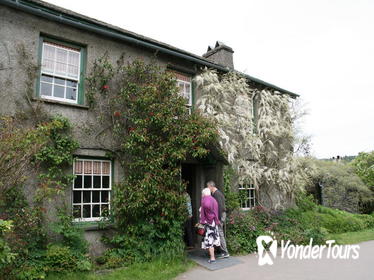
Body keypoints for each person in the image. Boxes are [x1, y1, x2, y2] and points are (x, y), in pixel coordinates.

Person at [207, 180, 230, 258]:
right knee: (219, 233)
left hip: (220, 215)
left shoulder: (217, 194)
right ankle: (222, 251)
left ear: (211, 186)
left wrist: (218, 219)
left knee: (220, 233)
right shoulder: (216, 194)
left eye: (208, 187)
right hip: (220, 215)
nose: (208, 189)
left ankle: (225, 252)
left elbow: (219, 207)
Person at [200, 187, 220, 263]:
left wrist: (202, 222)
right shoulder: (214, 200)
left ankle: (212, 258)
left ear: (204, 194)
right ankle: (212, 256)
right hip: (214, 222)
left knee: (209, 241)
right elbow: (216, 211)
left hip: (208, 223)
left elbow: (202, 213)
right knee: (213, 240)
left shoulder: (204, 200)